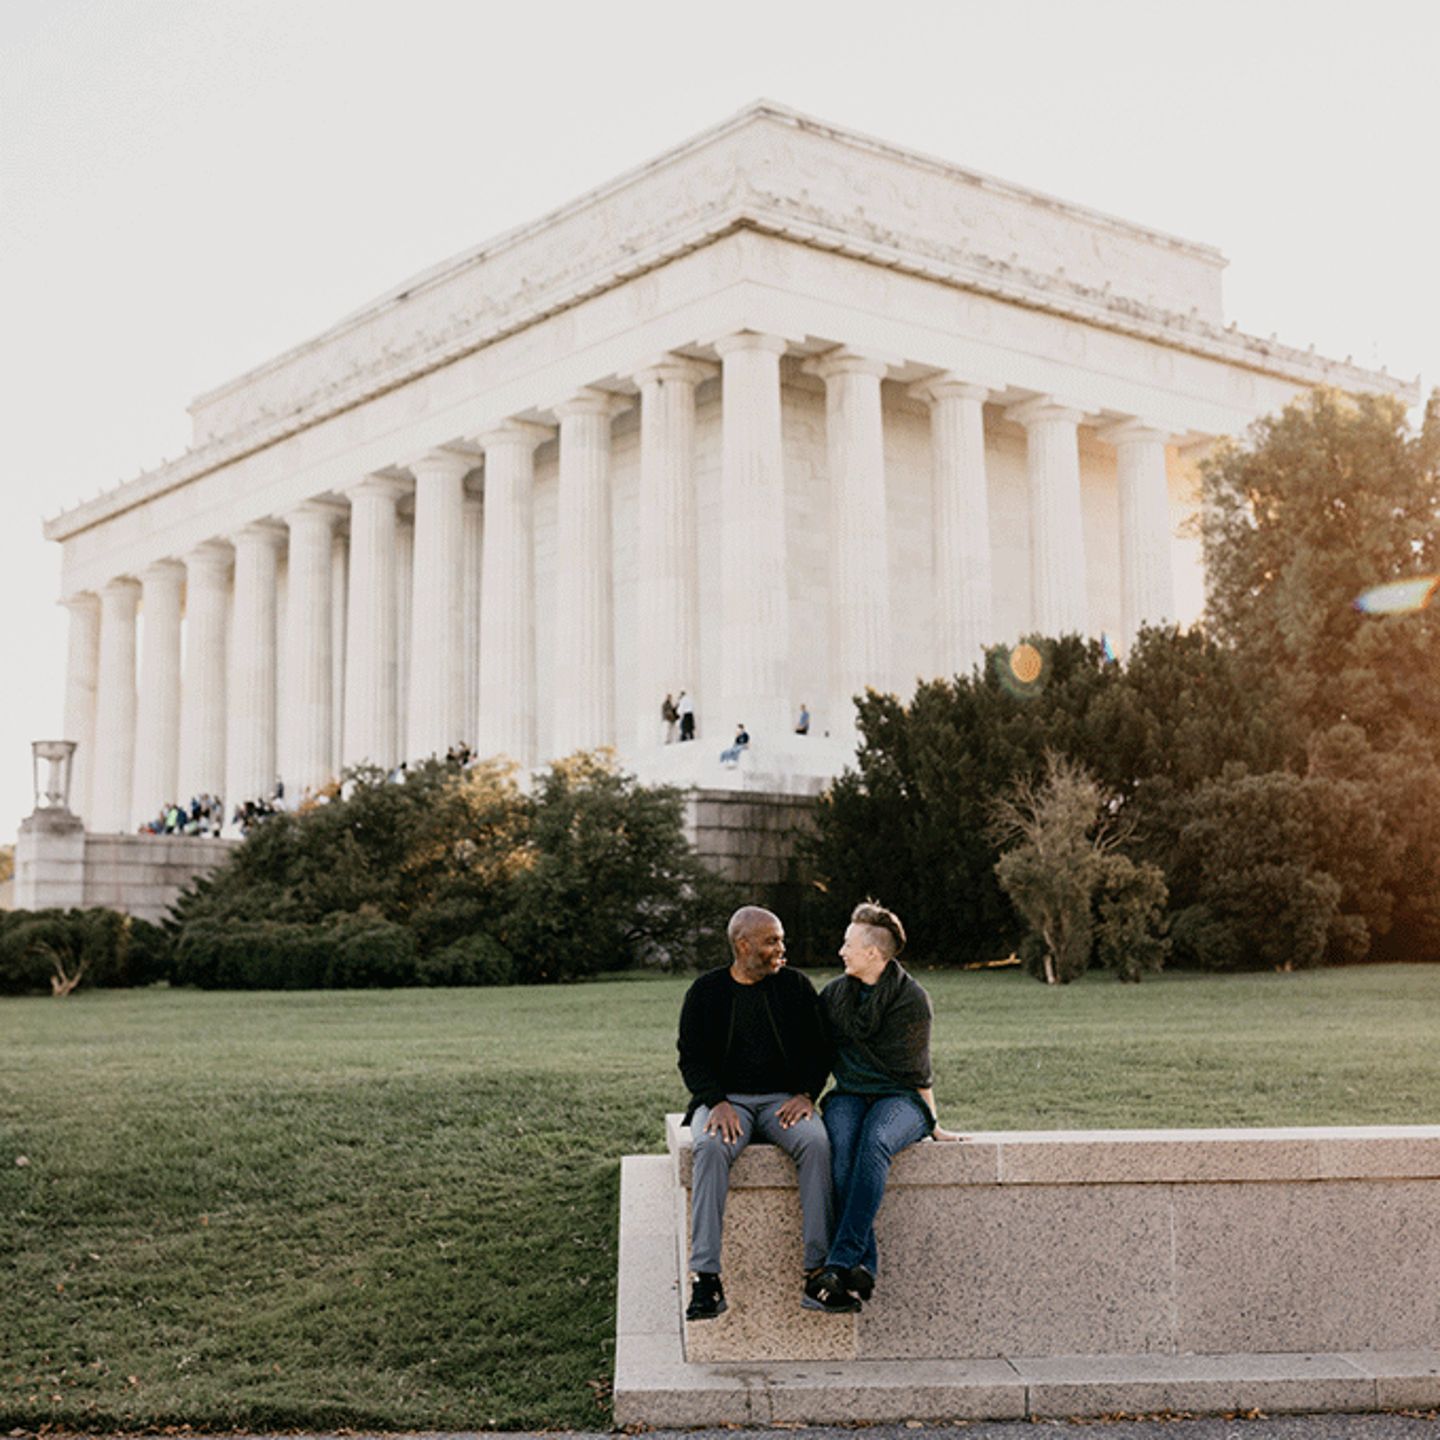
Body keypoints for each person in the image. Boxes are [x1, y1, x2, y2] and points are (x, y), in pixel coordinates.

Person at [677, 906, 837, 1320]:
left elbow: (821, 1050)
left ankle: (817, 1273)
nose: (781, 948)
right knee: (710, 1148)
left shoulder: (796, 988)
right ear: (743, 945)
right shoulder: (706, 992)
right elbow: (691, 1058)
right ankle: (707, 1280)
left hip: (784, 1101)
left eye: (781, 939)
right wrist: (716, 1100)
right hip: (726, 1102)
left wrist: (806, 1094)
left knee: (817, 1143)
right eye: (771, 941)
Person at [806, 899, 963, 1313]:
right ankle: (862, 1267)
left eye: (848, 944)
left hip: (901, 1100)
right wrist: (803, 1097)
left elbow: (918, 1072)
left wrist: (934, 1123)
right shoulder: (834, 996)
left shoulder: (911, 1000)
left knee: (874, 1142)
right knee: (840, 1151)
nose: (841, 951)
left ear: (873, 953)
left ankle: (839, 1263)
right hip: (849, 1096)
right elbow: (819, 1058)